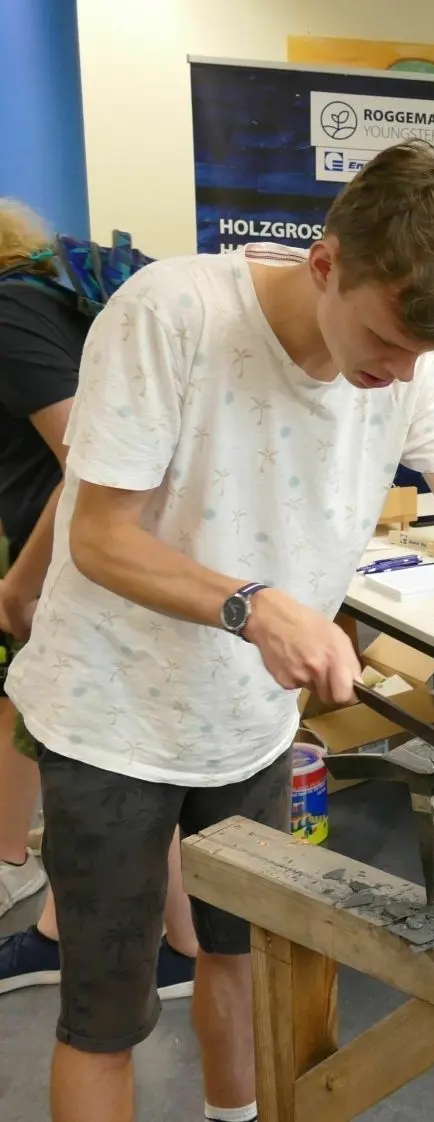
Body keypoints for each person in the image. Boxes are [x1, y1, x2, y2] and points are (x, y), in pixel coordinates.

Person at [5, 140, 434, 1122]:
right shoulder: (171, 316)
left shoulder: (411, 371)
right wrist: (253, 604)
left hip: (250, 729)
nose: (397, 375)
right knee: (105, 1017)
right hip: (112, 718)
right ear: (325, 264)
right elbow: (99, 537)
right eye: (384, 341)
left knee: (241, 963)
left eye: (420, 357)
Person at [0, 202, 199, 997]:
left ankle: (182, 947)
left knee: (112, 761)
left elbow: (88, 465)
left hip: (86, 569)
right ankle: (64, 930)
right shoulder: (53, 294)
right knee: (83, 748)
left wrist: (22, 583)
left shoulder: (13, 313)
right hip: (104, 560)